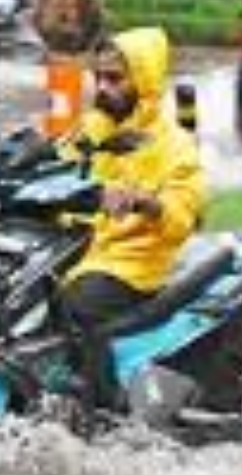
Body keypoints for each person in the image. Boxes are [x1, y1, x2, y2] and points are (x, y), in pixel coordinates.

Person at [57, 27, 207, 413]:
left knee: (78, 305)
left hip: (134, 263)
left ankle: (105, 407)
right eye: (98, 77)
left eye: (115, 78)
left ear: (143, 79)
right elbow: (54, 169)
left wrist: (147, 203)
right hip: (76, 248)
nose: (102, 88)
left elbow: (182, 219)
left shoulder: (175, 146)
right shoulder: (90, 129)